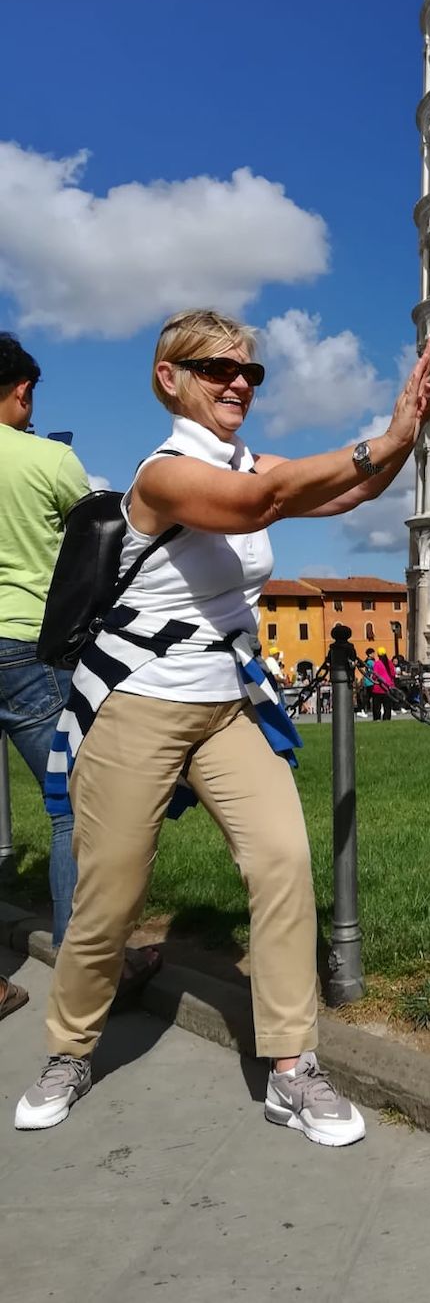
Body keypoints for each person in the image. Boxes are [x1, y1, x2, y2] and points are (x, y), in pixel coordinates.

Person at [14, 308, 430, 1143]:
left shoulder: (249, 461)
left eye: (250, 371)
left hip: (226, 703)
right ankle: (69, 1049)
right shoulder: (165, 474)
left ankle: (291, 1068)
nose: (238, 382)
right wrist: (379, 440)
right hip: (137, 701)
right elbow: (259, 504)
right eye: (217, 368)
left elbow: (351, 491)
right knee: (110, 893)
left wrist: (405, 435)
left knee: (282, 861)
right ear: (170, 379)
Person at [0, 335, 89, 1024]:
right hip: (29, 646)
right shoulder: (49, 459)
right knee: (69, 807)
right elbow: (99, 540)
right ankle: (79, 967)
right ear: (24, 390)